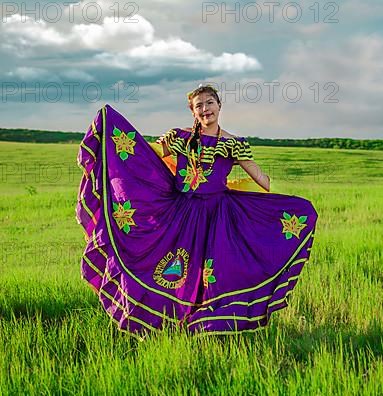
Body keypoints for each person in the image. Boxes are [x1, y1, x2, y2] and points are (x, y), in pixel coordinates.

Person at [75, 84, 319, 337]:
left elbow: (257, 175)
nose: (205, 109)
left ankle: (208, 323)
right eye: (199, 105)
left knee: (214, 270)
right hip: (181, 213)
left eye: (209, 103)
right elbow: (148, 155)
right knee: (174, 267)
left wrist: (280, 201)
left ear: (219, 105)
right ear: (192, 111)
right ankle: (167, 320)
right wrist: (114, 134)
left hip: (218, 216)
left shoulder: (233, 144)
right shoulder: (179, 137)